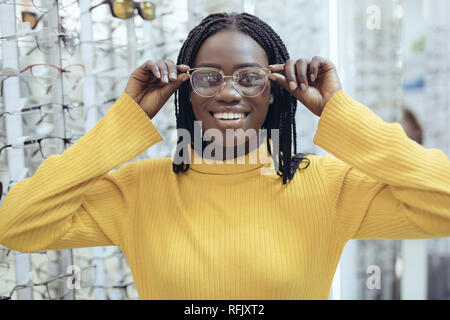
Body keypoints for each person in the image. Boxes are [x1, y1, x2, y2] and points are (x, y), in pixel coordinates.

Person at [0, 12, 449, 300]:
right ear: (185, 92)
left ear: (275, 93)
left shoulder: (327, 185)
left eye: (250, 77)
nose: (229, 92)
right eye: (209, 77)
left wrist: (338, 112)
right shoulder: (139, 191)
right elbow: (16, 225)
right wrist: (126, 120)